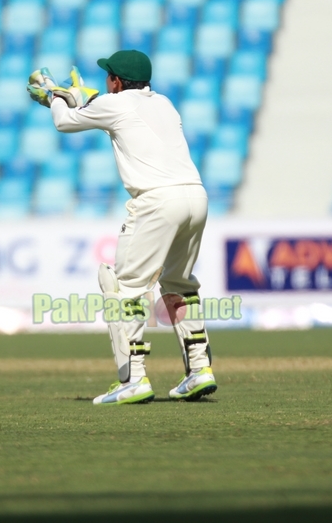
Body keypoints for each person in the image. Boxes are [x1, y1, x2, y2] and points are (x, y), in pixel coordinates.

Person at [27, 50, 216, 405]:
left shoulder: (115, 104)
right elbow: (111, 107)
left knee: (124, 287)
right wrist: (78, 96)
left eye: (107, 77)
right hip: (195, 196)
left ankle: (135, 379)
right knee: (179, 285)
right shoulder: (164, 103)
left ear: (115, 80)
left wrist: (53, 94)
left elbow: (65, 122)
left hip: (157, 202)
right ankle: (199, 370)